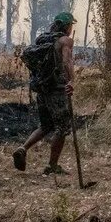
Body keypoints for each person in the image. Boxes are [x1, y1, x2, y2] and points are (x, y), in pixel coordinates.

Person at [13, 11, 76, 175]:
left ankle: (23, 148)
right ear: (67, 26)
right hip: (56, 89)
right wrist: (71, 81)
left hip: (42, 88)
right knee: (61, 128)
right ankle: (52, 166)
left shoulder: (43, 39)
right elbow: (67, 61)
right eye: (71, 25)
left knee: (46, 125)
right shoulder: (65, 41)